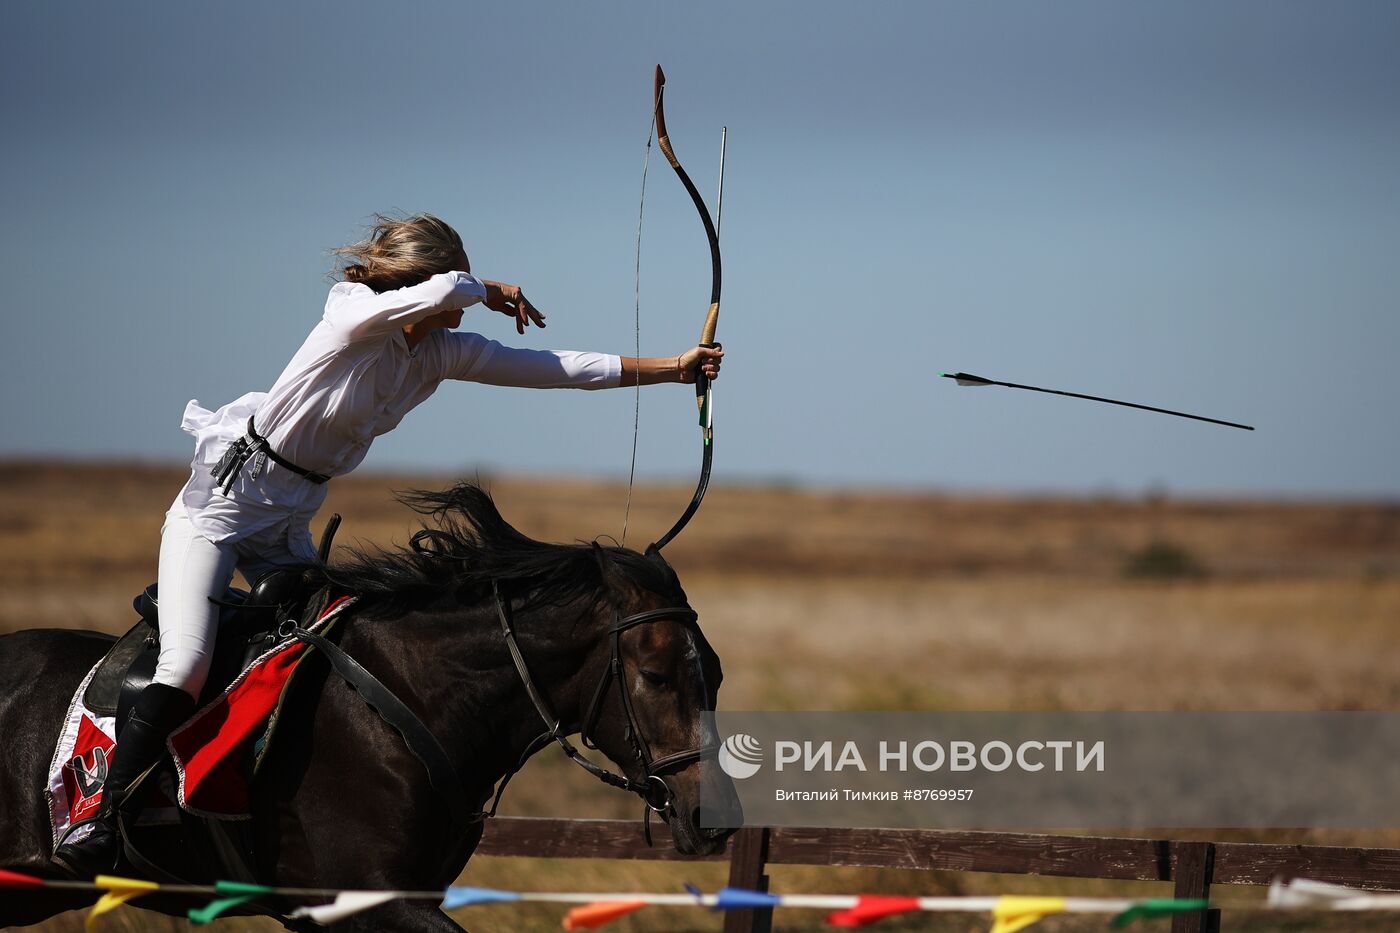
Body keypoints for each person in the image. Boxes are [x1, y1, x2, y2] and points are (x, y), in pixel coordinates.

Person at [51, 213, 723, 878]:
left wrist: (673, 368)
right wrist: (484, 287)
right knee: (187, 662)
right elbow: (438, 295)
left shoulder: (436, 354)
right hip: (220, 511)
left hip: (289, 519)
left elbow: (552, 367)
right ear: (422, 280)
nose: (464, 299)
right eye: (453, 277)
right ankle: (99, 816)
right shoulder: (350, 314)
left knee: (321, 652)